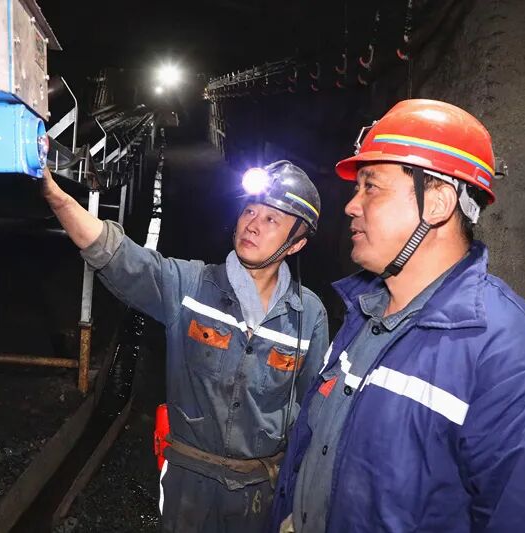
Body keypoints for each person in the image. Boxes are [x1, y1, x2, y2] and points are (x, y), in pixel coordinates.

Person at [268, 99, 525, 532]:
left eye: (371, 187)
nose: (351, 205)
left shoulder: (519, 365)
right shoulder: (363, 316)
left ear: (438, 202)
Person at [42, 160, 330, 532]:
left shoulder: (308, 316)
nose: (253, 224)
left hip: (262, 491)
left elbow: (313, 415)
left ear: (297, 243)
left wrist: (301, 505)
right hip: (188, 485)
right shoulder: (191, 286)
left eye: (271, 219)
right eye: (249, 211)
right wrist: (55, 195)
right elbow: (117, 255)